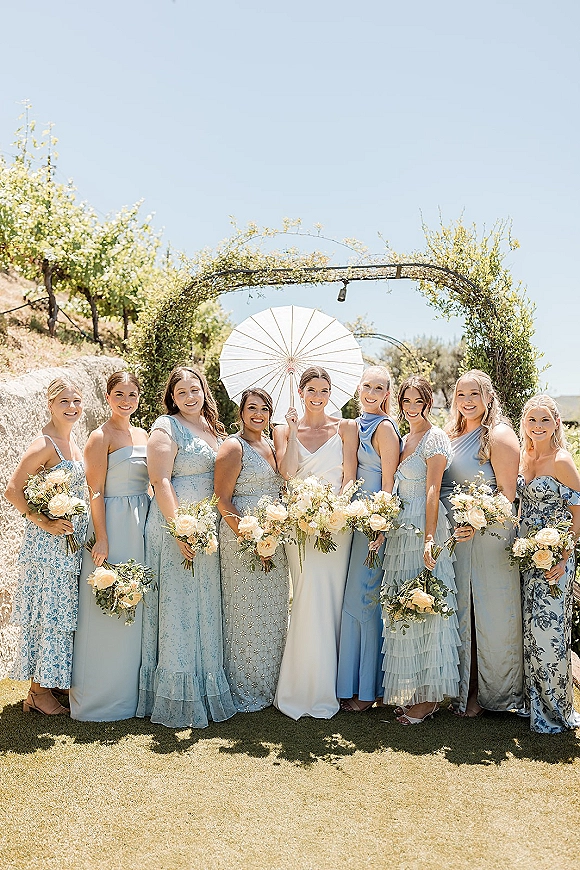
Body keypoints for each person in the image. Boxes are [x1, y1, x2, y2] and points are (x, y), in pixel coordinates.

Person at [136, 365, 235, 729]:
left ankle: (206, 688)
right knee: (178, 608)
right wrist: (179, 529)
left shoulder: (213, 428)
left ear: (204, 391)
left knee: (203, 605)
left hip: (207, 529)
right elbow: (160, 480)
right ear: (172, 398)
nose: (190, 397)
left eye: (195, 390)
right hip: (175, 525)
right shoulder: (166, 426)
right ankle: (175, 695)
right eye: (182, 392)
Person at [273, 366, 358, 719]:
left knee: (332, 601)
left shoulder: (346, 427)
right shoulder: (282, 429)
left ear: (330, 393)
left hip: (336, 525)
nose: (318, 396)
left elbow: (349, 477)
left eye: (324, 390)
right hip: (299, 527)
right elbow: (288, 473)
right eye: (311, 390)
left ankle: (332, 684)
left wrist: (333, 513)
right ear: (301, 391)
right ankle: (300, 687)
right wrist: (293, 432)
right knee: (306, 597)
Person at [440, 371, 523, 718]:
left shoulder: (498, 434)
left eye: (474, 393)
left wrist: (477, 521)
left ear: (488, 397)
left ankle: (486, 693)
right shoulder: (450, 433)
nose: (467, 400)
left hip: (488, 536)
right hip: (455, 537)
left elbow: (507, 494)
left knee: (486, 613)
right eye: (461, 394)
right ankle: (460, 688)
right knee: (461, 610)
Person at [69, 372, 150, 721]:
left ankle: (128, 695)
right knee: (103, 606)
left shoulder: (143, 435)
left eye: (132, 394)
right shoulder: (99, 436)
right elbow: (95, 491)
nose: (126, 400)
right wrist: (101, 537)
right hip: (112, 522)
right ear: (107, 397)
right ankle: (96, 699)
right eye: (119, 394)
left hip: (140, 523)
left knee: (134, 601)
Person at [5, 377, 87, 715]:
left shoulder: (73, 442)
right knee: (49, 614)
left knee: (62, 614)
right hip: (48, 548)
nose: (71, 407)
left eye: (76, 401)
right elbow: (13, 490)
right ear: (50, 404)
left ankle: (51, 683)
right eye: (64, 401)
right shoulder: (44, 444)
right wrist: (45, 522)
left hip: (70, 545)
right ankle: (38, 693)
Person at [381, 376, 460, 725]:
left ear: (429, 403)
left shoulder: (435, 437)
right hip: (401, 530)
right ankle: (414, 692)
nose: (413, 408)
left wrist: (429, 538)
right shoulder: (405, 438)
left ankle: (429, 699)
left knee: (429, 604)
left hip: (424, 525)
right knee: (405, 605)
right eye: (407, 401)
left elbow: (432, 490)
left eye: (419, 401)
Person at [215, 388, 289, 712]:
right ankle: (244, 687)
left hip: (275, 538)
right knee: (244, 612)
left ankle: (271, 685)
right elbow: (222, 500)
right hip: (241, 539)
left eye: (264, 409)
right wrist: (252, 538)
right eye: (252, 408)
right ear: (241, 412)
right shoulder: (234, 446)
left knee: (272, 612)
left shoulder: (272, 445)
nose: (258, 415)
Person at [337, 366, 402, 712]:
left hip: (375, 523)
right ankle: (352, 683)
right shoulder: (355, 424)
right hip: (355, 520)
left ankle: (368, 691)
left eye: (379, 388)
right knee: (354, 600)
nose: (372, 393)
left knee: (364, 600)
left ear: (387, 394)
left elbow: (389, 483)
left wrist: (381, 524)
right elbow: (350, 474)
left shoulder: (386, 428)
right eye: (367, 386)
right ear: (358, 388)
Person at [518, 394, 580, 733]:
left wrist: (563, 555)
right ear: (524, 423)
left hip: (556, 559)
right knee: (530, 632)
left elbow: (578, 513)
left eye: (545, 419)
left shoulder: (561, 460)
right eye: (532, 419)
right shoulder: (525, 456)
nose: (538, 425)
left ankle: (556, 712)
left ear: (556, 423)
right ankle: (534, 704)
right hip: (527, 556)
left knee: (550, 634)